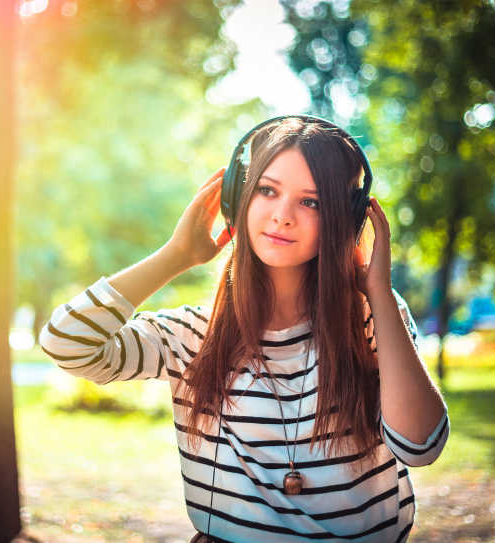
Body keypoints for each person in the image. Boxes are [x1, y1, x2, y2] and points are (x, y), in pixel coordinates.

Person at [39, 116, 449, 542]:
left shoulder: (372, 318)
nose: (283, 216)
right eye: (267, 191)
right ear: (239, 200)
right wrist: (176, 255)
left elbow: (421, 446)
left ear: (345, 220)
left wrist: (378, 292)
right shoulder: (192, 337)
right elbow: (66, 343)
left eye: (311, 202)